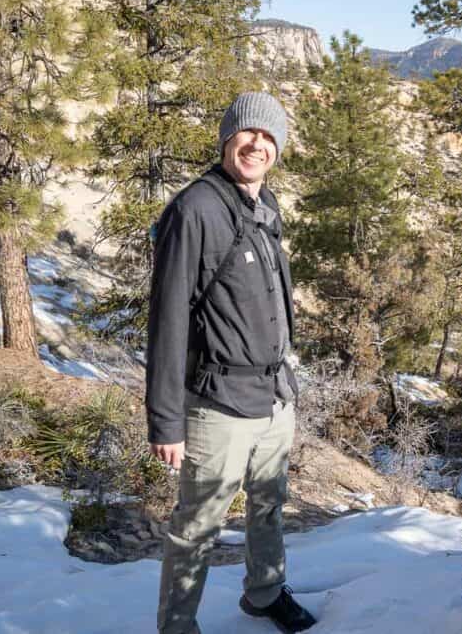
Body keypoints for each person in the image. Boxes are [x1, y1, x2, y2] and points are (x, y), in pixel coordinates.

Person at [146, 92, 317, 634]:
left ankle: (264, 593)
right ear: (226, 139)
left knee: (268, 504)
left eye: (269, 138)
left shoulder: (267, 206)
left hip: (272, 396)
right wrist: (166, 421)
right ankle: (177, 627)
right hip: (217, 402)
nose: (257, 145)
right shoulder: (195, 210)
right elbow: (168, 319)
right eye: (248, 134)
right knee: (197, 525)